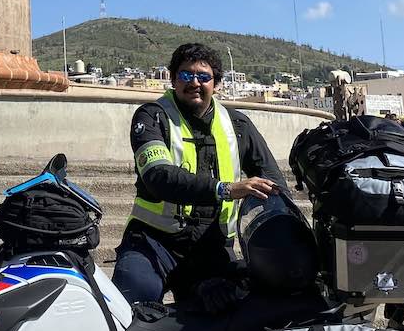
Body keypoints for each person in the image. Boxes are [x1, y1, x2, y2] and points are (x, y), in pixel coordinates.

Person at [112, 42, 286, 306]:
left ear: (215, 84)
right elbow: (158, 176)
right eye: (185, 75)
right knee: (131, 300)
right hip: (154, 242)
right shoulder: (151, 117)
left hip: (212, 247)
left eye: (203, 77)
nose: (194, 82)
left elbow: (274, 183)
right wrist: (226, 189)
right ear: (172, 80)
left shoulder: (238, 125)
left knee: (237, 318)